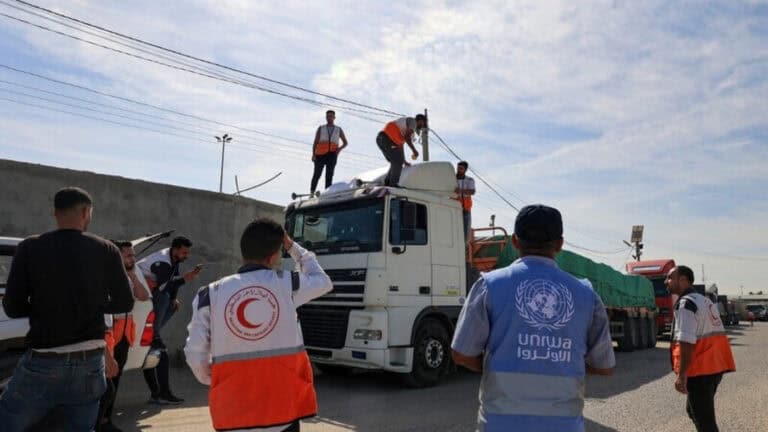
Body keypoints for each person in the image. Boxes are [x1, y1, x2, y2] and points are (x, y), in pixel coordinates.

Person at [451, 204, 615, 432]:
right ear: (560, 244)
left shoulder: (489, 285)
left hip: (500, 425)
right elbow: (605, 367)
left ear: (515, 241)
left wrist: (497, 362)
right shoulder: (586, 295)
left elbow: (460, 354)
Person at [0, 187, 134, 432]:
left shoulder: (30, 247)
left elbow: (12, 306)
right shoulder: (106, 249)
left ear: (54, 213)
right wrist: (93, 305)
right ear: (86, 212)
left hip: (43, 361)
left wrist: (45, 307)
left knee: (8, 422)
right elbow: (125, 303)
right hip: (91, 364)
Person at [185, 218, 332, 432]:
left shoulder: (210, 294)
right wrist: (293, 247)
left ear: (243, 252)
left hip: (232, 412)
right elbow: (323, 280)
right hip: (282, 412)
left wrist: (220, 381)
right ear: (273, 256)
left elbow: (194, 353)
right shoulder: (287, 284)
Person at [665, 265, 735, 432]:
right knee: (694, 412)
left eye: (669, 277)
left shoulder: (685, 304)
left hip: (700, 370)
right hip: (714, 366)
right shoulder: (705, 300)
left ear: (683, 280)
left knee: (705, 422)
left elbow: (686, 341)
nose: (666, 282)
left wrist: (682, 376)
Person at [137, 235, 201, 404]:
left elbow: (171, 284)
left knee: (171, 302)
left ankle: (157, 394)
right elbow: (165, 285)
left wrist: (174, 297)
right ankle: (154, 334)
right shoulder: (163, 262)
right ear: (175, 249)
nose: (186, 256)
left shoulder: (173, 262)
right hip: (138, 302)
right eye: (184, 252)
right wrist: (186, 279)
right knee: (164, 297)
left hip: (147, 303)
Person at [96, 240, 152, 432]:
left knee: (116, 378)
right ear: (116, 255)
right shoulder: (105, 275)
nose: (133, 258)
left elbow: (144, 296)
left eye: (133, 255)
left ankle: (106, 420)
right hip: (109, 333)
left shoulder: (130, 276)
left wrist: (133, 277)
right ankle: (96, 422)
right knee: (105, 382)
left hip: (125, 334)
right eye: (128, 255)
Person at [376, 114, 426, 187]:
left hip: (382, 139)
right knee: (397, 161)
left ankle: (387, 183)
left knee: (396, 161)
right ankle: (393, 184)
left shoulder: (404, 128)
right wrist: (414, 150)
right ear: (420, 120)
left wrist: (404, 161)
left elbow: (400, 146)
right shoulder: (413, 122)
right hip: (387, 139)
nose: (422, 126)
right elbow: (407, 137)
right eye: (422, 123)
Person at [310, 110, 348, 194]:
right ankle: (312, 192)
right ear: (326, 117)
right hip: (320, 154)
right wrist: (313, 154)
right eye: (327, 116)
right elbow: (315, 142)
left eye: (331, 116)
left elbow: (345, 143)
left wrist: (339, 149)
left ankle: (327, 193)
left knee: (329, 175)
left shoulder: (338, 129)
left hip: (332, 155)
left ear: (334, 118)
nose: (329, 118)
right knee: (317, 174)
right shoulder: (321, 128)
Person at [454, 161, 475, 242]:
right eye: (458, 168)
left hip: (466, 210)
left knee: (465, 235)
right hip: (454, 209)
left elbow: (472, 191)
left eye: (461, 168)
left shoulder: (469, 180)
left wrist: (460, 191)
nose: (458, 170)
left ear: (465, 170)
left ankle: (464, 250)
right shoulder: (452, 179)